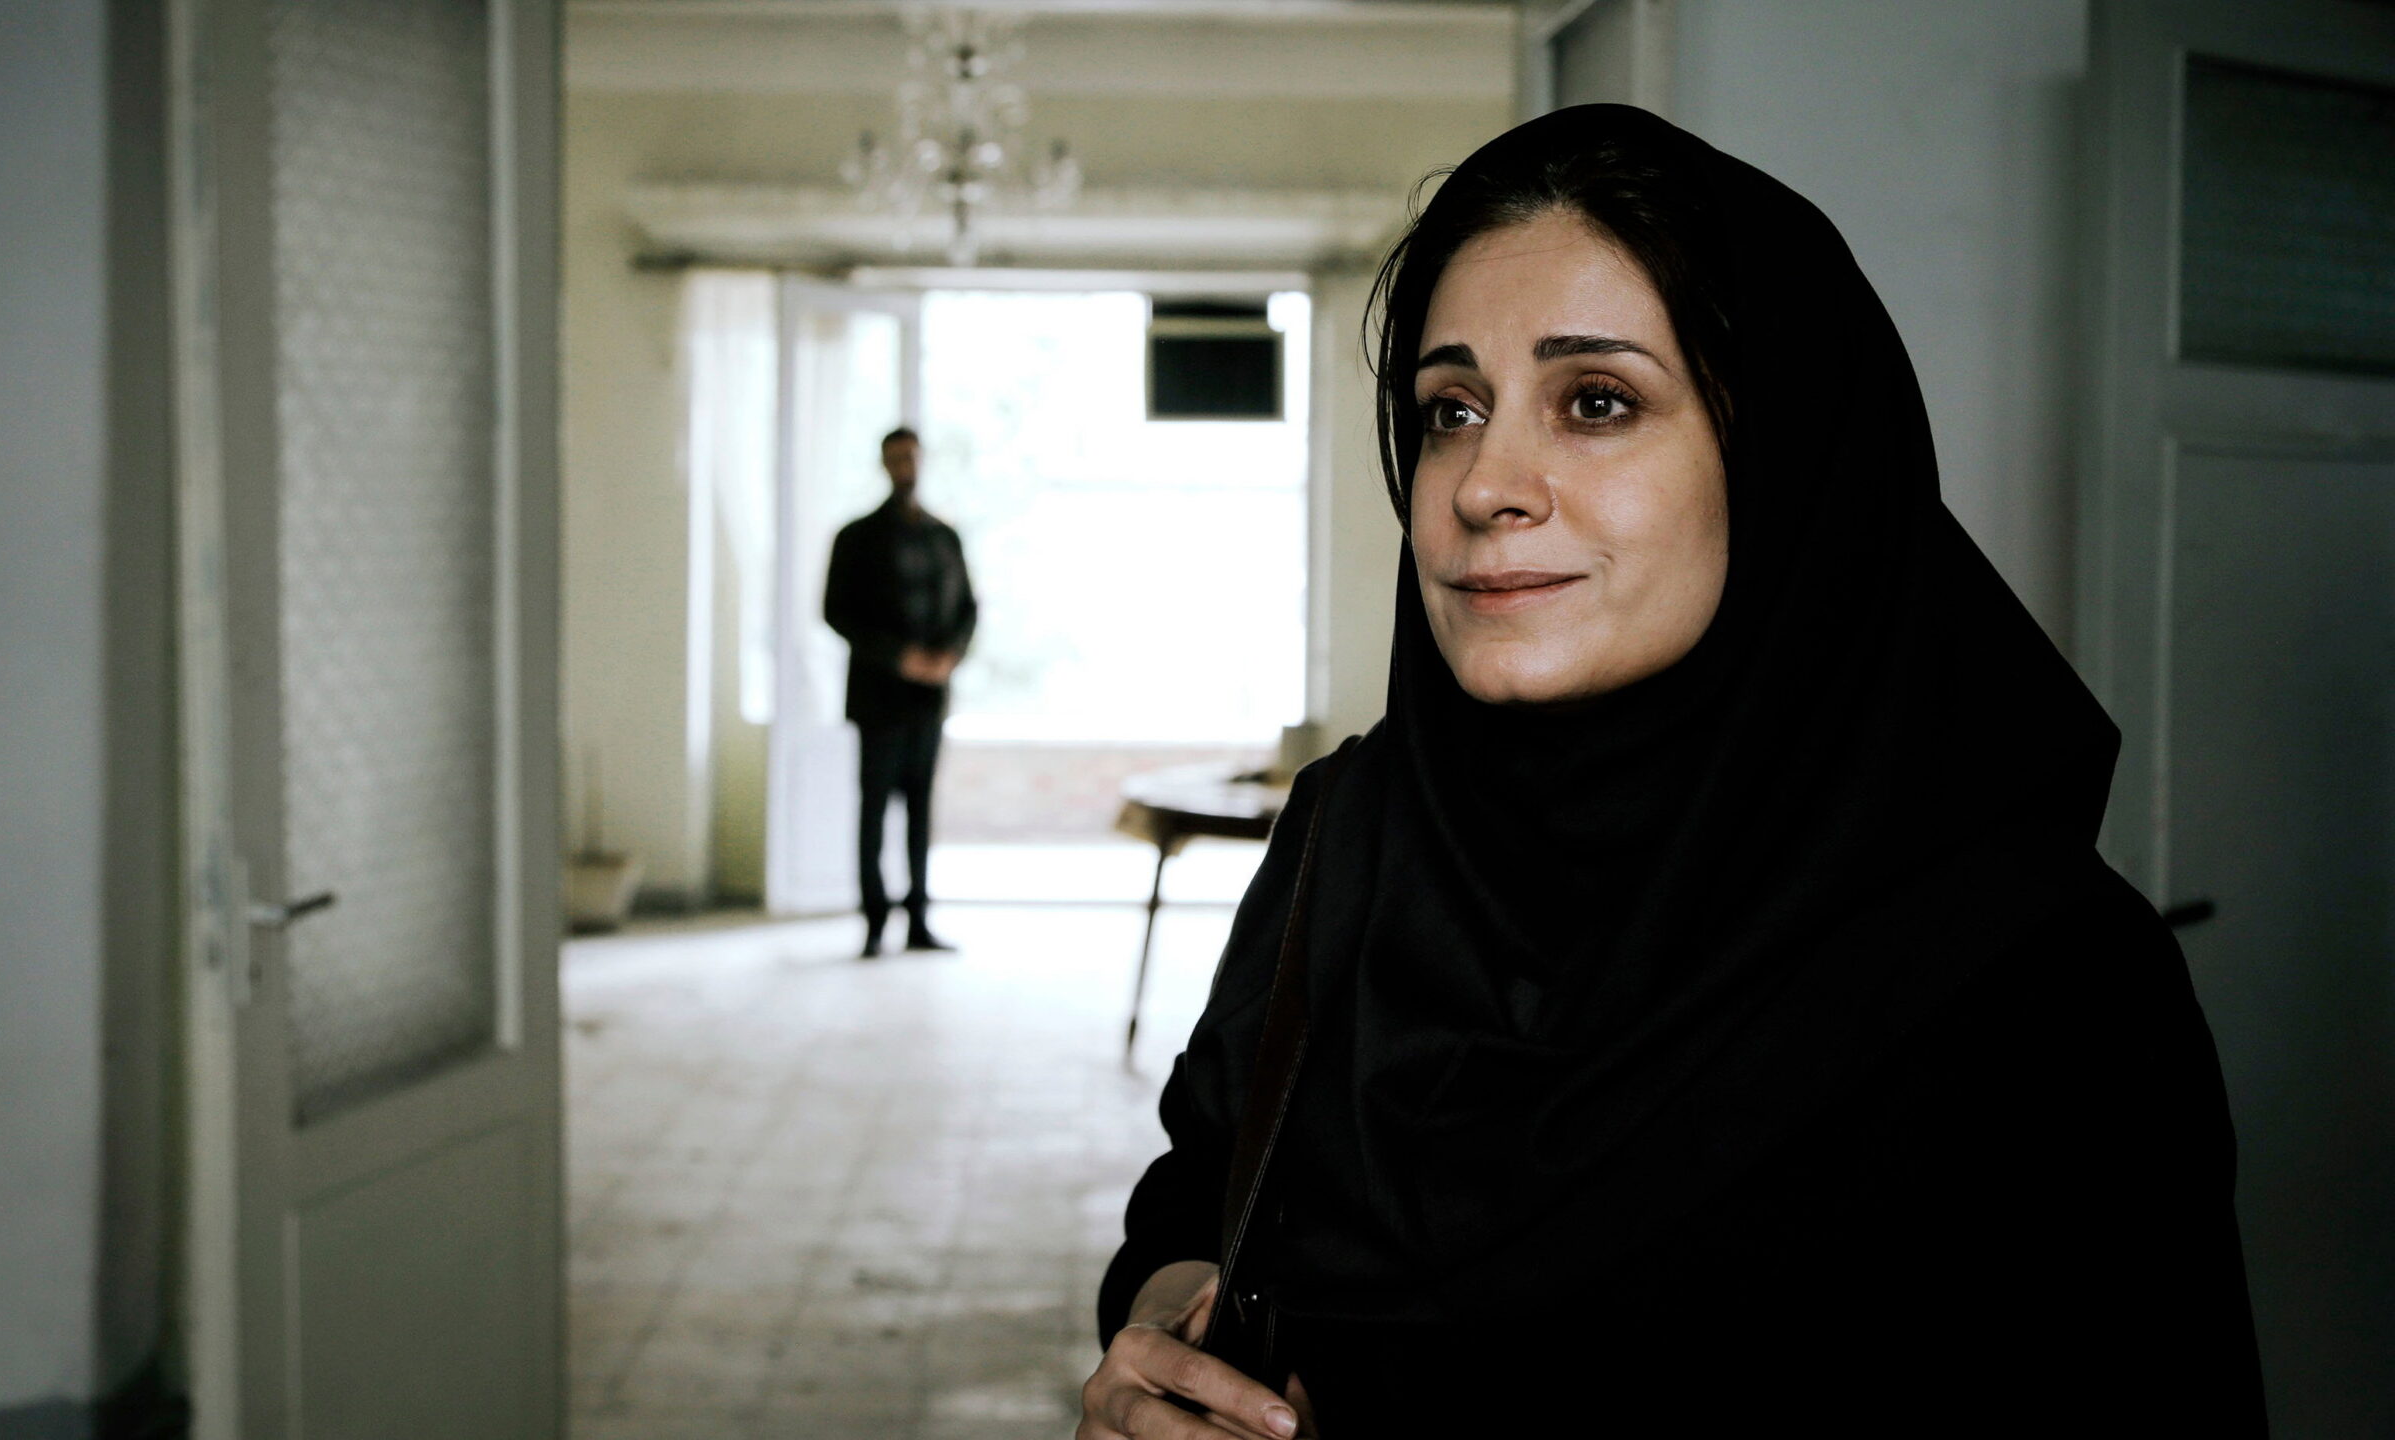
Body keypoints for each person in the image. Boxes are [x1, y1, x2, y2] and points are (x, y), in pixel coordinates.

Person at [1080, 106, 2264, 1437]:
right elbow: (1205, 1186)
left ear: (1779, 457)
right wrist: (1168, 1344)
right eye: (1450, 410)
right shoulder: (1351, 835)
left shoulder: (2042, 981)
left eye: (1596, 402)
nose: (1482, 484)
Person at [825, 426, 976, 959]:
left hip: (928, 701)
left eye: (911, 457)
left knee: (919, 812)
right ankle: (873, 921)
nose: (905, 467)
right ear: (884, 464)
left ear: (921, 460)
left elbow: (968, 607)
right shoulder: (856, 537)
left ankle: (918, 920)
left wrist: (948, 657)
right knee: (873, 813)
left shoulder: (943, 537)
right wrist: (898, 657)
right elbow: (836, 612)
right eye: (896, 458)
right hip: (878, 699)